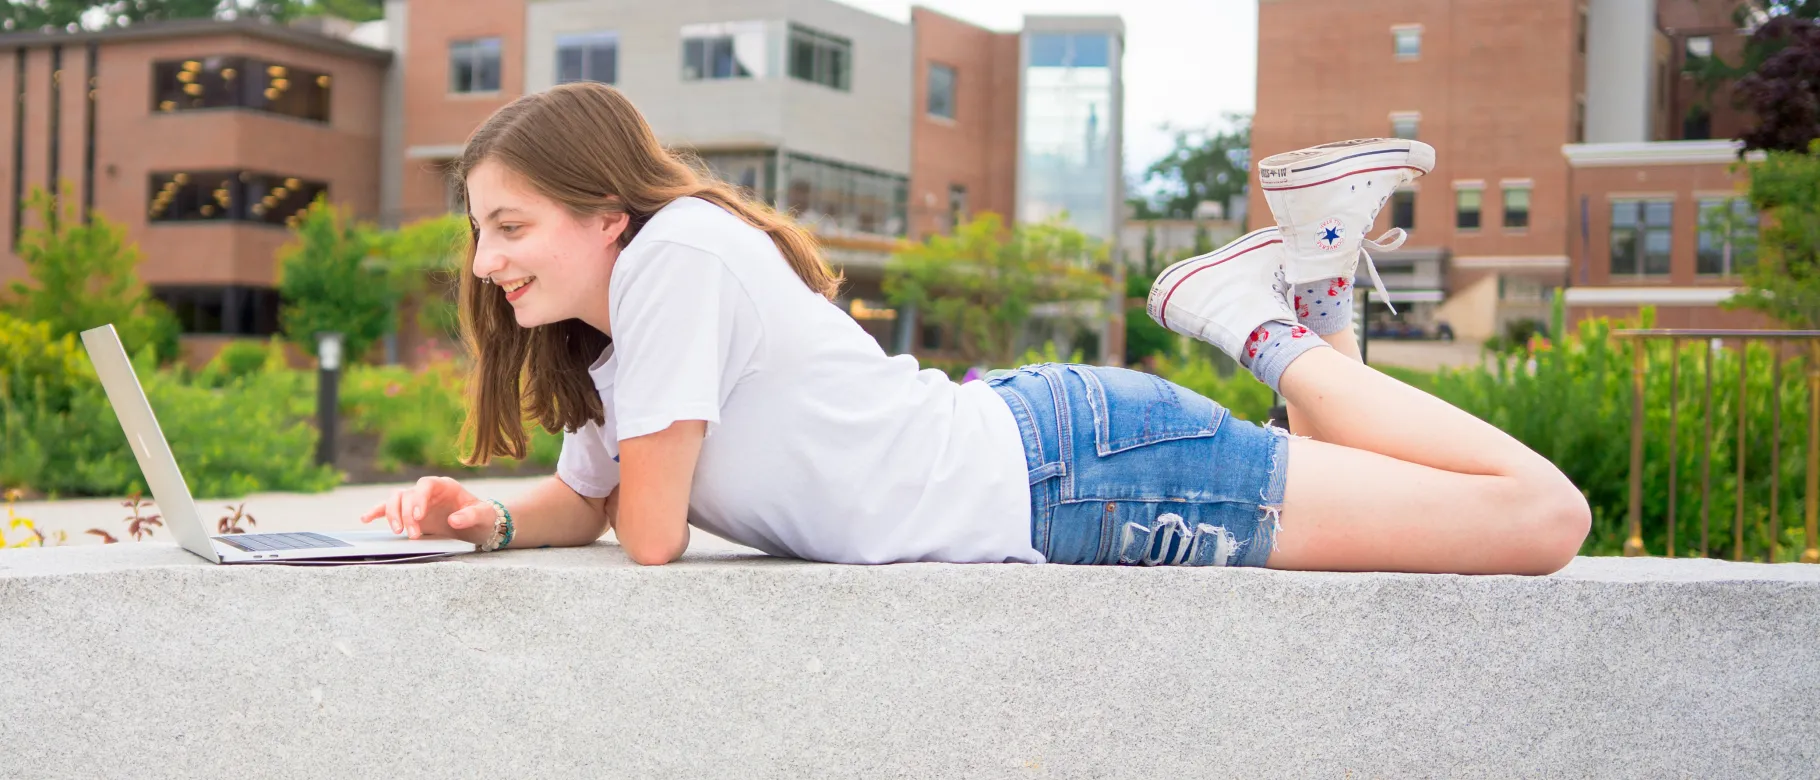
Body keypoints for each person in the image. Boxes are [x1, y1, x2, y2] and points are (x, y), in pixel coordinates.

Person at [361, 83, 1590, 574]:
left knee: (1540, 521)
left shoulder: (677, 255)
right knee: (1401, 493)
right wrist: (490, 516)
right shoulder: (624, 339)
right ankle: (1308, 285)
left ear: (604, 214)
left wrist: (579, 498)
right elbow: (590, 498)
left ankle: (1247, 321)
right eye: (479, 232)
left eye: (510, 226)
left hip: (1083, 476)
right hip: (1056, 466)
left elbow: (647, 533)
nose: (487, 263)